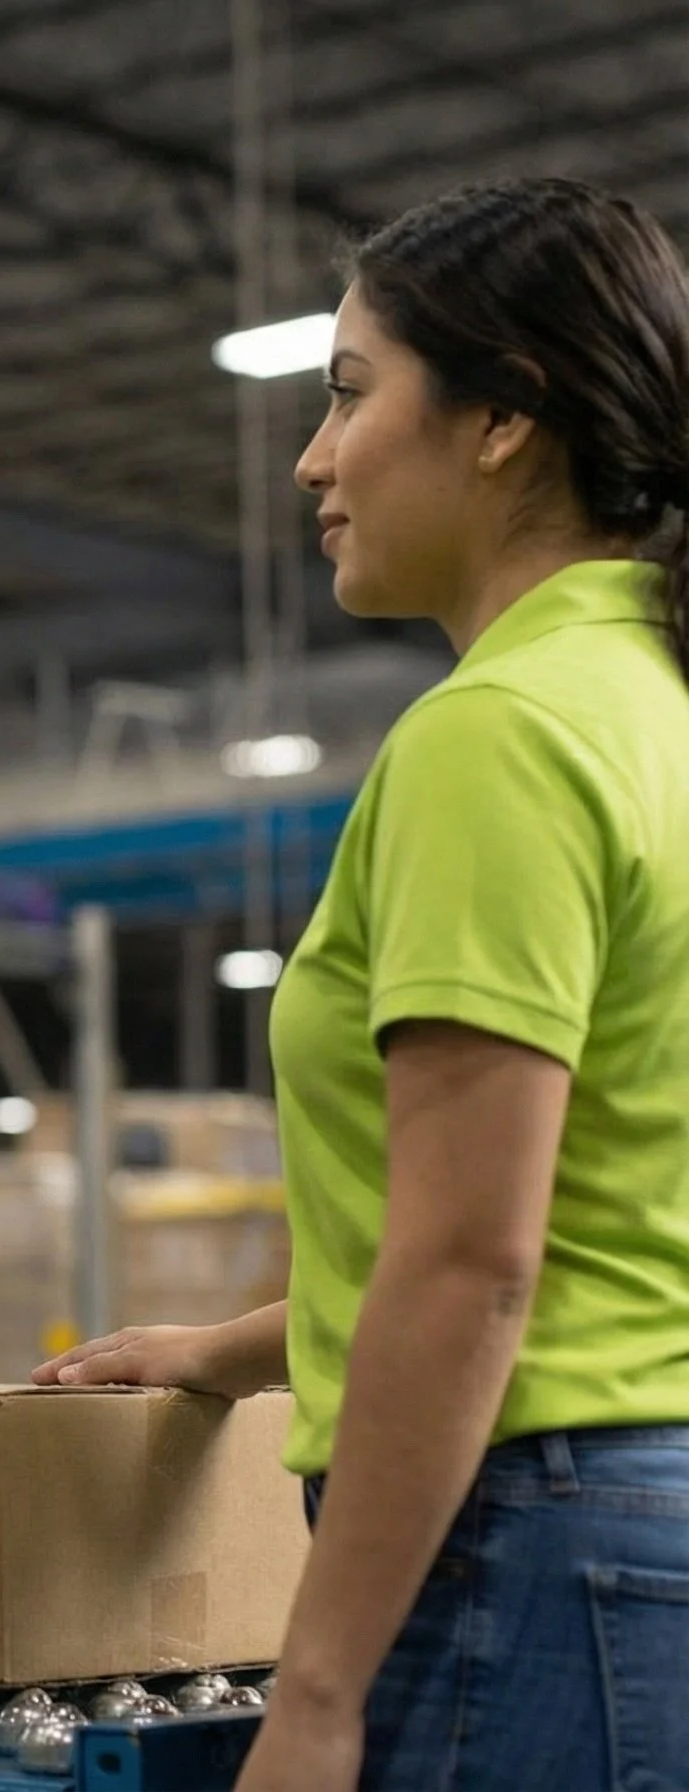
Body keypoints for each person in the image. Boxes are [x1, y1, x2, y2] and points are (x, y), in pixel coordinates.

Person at [36, 178, 689, 1792]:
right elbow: (617, 1203)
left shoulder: (505, 735)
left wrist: (316, 1694)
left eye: (346, 393)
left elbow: (476, 1260)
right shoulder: (654, 704)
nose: (315, 460)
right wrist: (232, 1349)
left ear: (502, 421)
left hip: (523, 1551)